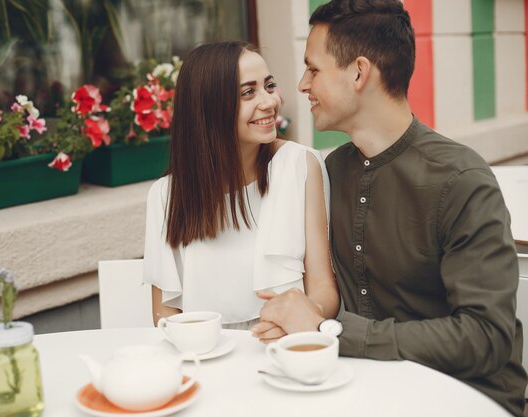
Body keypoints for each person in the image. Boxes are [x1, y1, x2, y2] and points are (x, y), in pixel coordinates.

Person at [251, 1, 527, 415]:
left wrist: (332, 332)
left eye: (313, 68)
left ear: (359, 72)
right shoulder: (332, 170)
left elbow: (486, 337)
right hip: (368, 390)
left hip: (467, 398)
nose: (303, 84)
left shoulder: (461, 179)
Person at [143, 41, 340, 331]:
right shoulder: (166, 195)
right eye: (248, 92)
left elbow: (324, 287)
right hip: (204, 357)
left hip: (284, 350)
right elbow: (164, 313)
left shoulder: (300, 166)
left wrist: (306, 317)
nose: (270, 102)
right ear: (209, 108)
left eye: (269, 86)